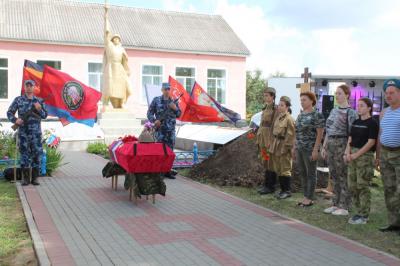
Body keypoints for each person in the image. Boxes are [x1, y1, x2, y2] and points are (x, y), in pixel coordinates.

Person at [321, 84, 358, 216]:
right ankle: (335, 203)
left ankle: (345, 205)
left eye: (340, 93)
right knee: (334, 174)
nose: (337, 95)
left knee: (343, 175)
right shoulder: (333, 111)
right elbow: (328, 129)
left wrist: (347, 150)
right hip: (331, 142)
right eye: (336, 93)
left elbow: (352, 134)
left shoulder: (351, 112)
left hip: (342, 143)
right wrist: (324, 146)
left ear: (347, 95)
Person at [344, 98, 378, 224]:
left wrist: (356, 155)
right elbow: (350, 139)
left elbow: (371, 142)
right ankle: (358, 212)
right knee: (352, 185)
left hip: (364, 156)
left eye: (362, 106)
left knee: (362, 186)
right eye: (358, 106)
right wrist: (347, 152)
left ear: (369, 108)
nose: (359, 108)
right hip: (352, 155)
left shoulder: (372, 123)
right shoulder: (356, 121)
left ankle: (364, 215)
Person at [7, 80, 48, 186]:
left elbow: (44, 115)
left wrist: (39, 109)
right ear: (25, 87)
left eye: (31, 85)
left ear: (34, 87)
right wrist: (15, 120)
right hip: (23, 133)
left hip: (36, 134)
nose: (29, 87)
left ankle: (34, 179)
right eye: (27, 85)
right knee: (24, 155)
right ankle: (25, 179)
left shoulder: (39, 101)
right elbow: (9, 112)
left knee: (37, 155)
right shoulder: (18, 100)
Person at [376, 79, 400, 233]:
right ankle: (394, 223)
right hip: (385, 154)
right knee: (389, 189)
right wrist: (377, 156)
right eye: (386, 93)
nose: (388, 96)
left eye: (392, 93)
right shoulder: (383, 112)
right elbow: (380, 134)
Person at [294, 92, 325, 207]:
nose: (302, 102)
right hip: (300, 148)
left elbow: (320, 133)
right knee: (302, 173)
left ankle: (310, 197)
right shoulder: (300, 115)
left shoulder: (317, 115)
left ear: (312, 101)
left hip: (310, 148)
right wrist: (294, 147)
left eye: (304, 100)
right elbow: (296, 132)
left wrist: (315, 149)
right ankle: (305, 195)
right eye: (301, 100)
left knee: (311, 173)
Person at [147, 82, 181, 179]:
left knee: (170, 152)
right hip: (160, 131)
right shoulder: (156, 100)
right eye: (165, 89)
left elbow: (179, 114)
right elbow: (149, 113)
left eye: (168, 89)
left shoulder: (174, 101)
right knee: (159, 152)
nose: (167, 91)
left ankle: (167, 171)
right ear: (162, 90)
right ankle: (159, 172)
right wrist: (154, 121)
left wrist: (175, 109)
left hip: (170, 131)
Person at [102, 4, 132, 109]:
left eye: (118, 38)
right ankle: (108, 104)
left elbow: (126, 61)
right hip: (111, 68)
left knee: (124, 87)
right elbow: (107, 32)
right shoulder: (109, 46)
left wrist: (126, 58)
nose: (116, 39)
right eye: (114, 38)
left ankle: (121, 103)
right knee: (111, 87)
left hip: (120, 69)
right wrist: (106, 14)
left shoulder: (122, 49)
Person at [270, 96, 295, 199]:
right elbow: (275, 132)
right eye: (279, 105)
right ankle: (282, 189)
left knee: (285, 168)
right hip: (277, 144)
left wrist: (286, 148)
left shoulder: (289, 119)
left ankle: (287, 191)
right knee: (279, 168)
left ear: (287, 106)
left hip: (284, 145)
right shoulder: (279, 117)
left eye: (282, 105)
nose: (279, 107)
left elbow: (291, 135)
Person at [257, 87, 279, 194]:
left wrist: (271, 140)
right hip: (263, 137)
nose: (265, 97)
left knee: (271, 162)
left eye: (267, 95)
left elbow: (275, 125)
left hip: (269, 138)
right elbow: (262, 123)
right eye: (264, 95)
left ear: (272, 97)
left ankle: (271, 186)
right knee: (265, 161)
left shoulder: (275, 109)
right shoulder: (265, 108)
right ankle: (266, 184)